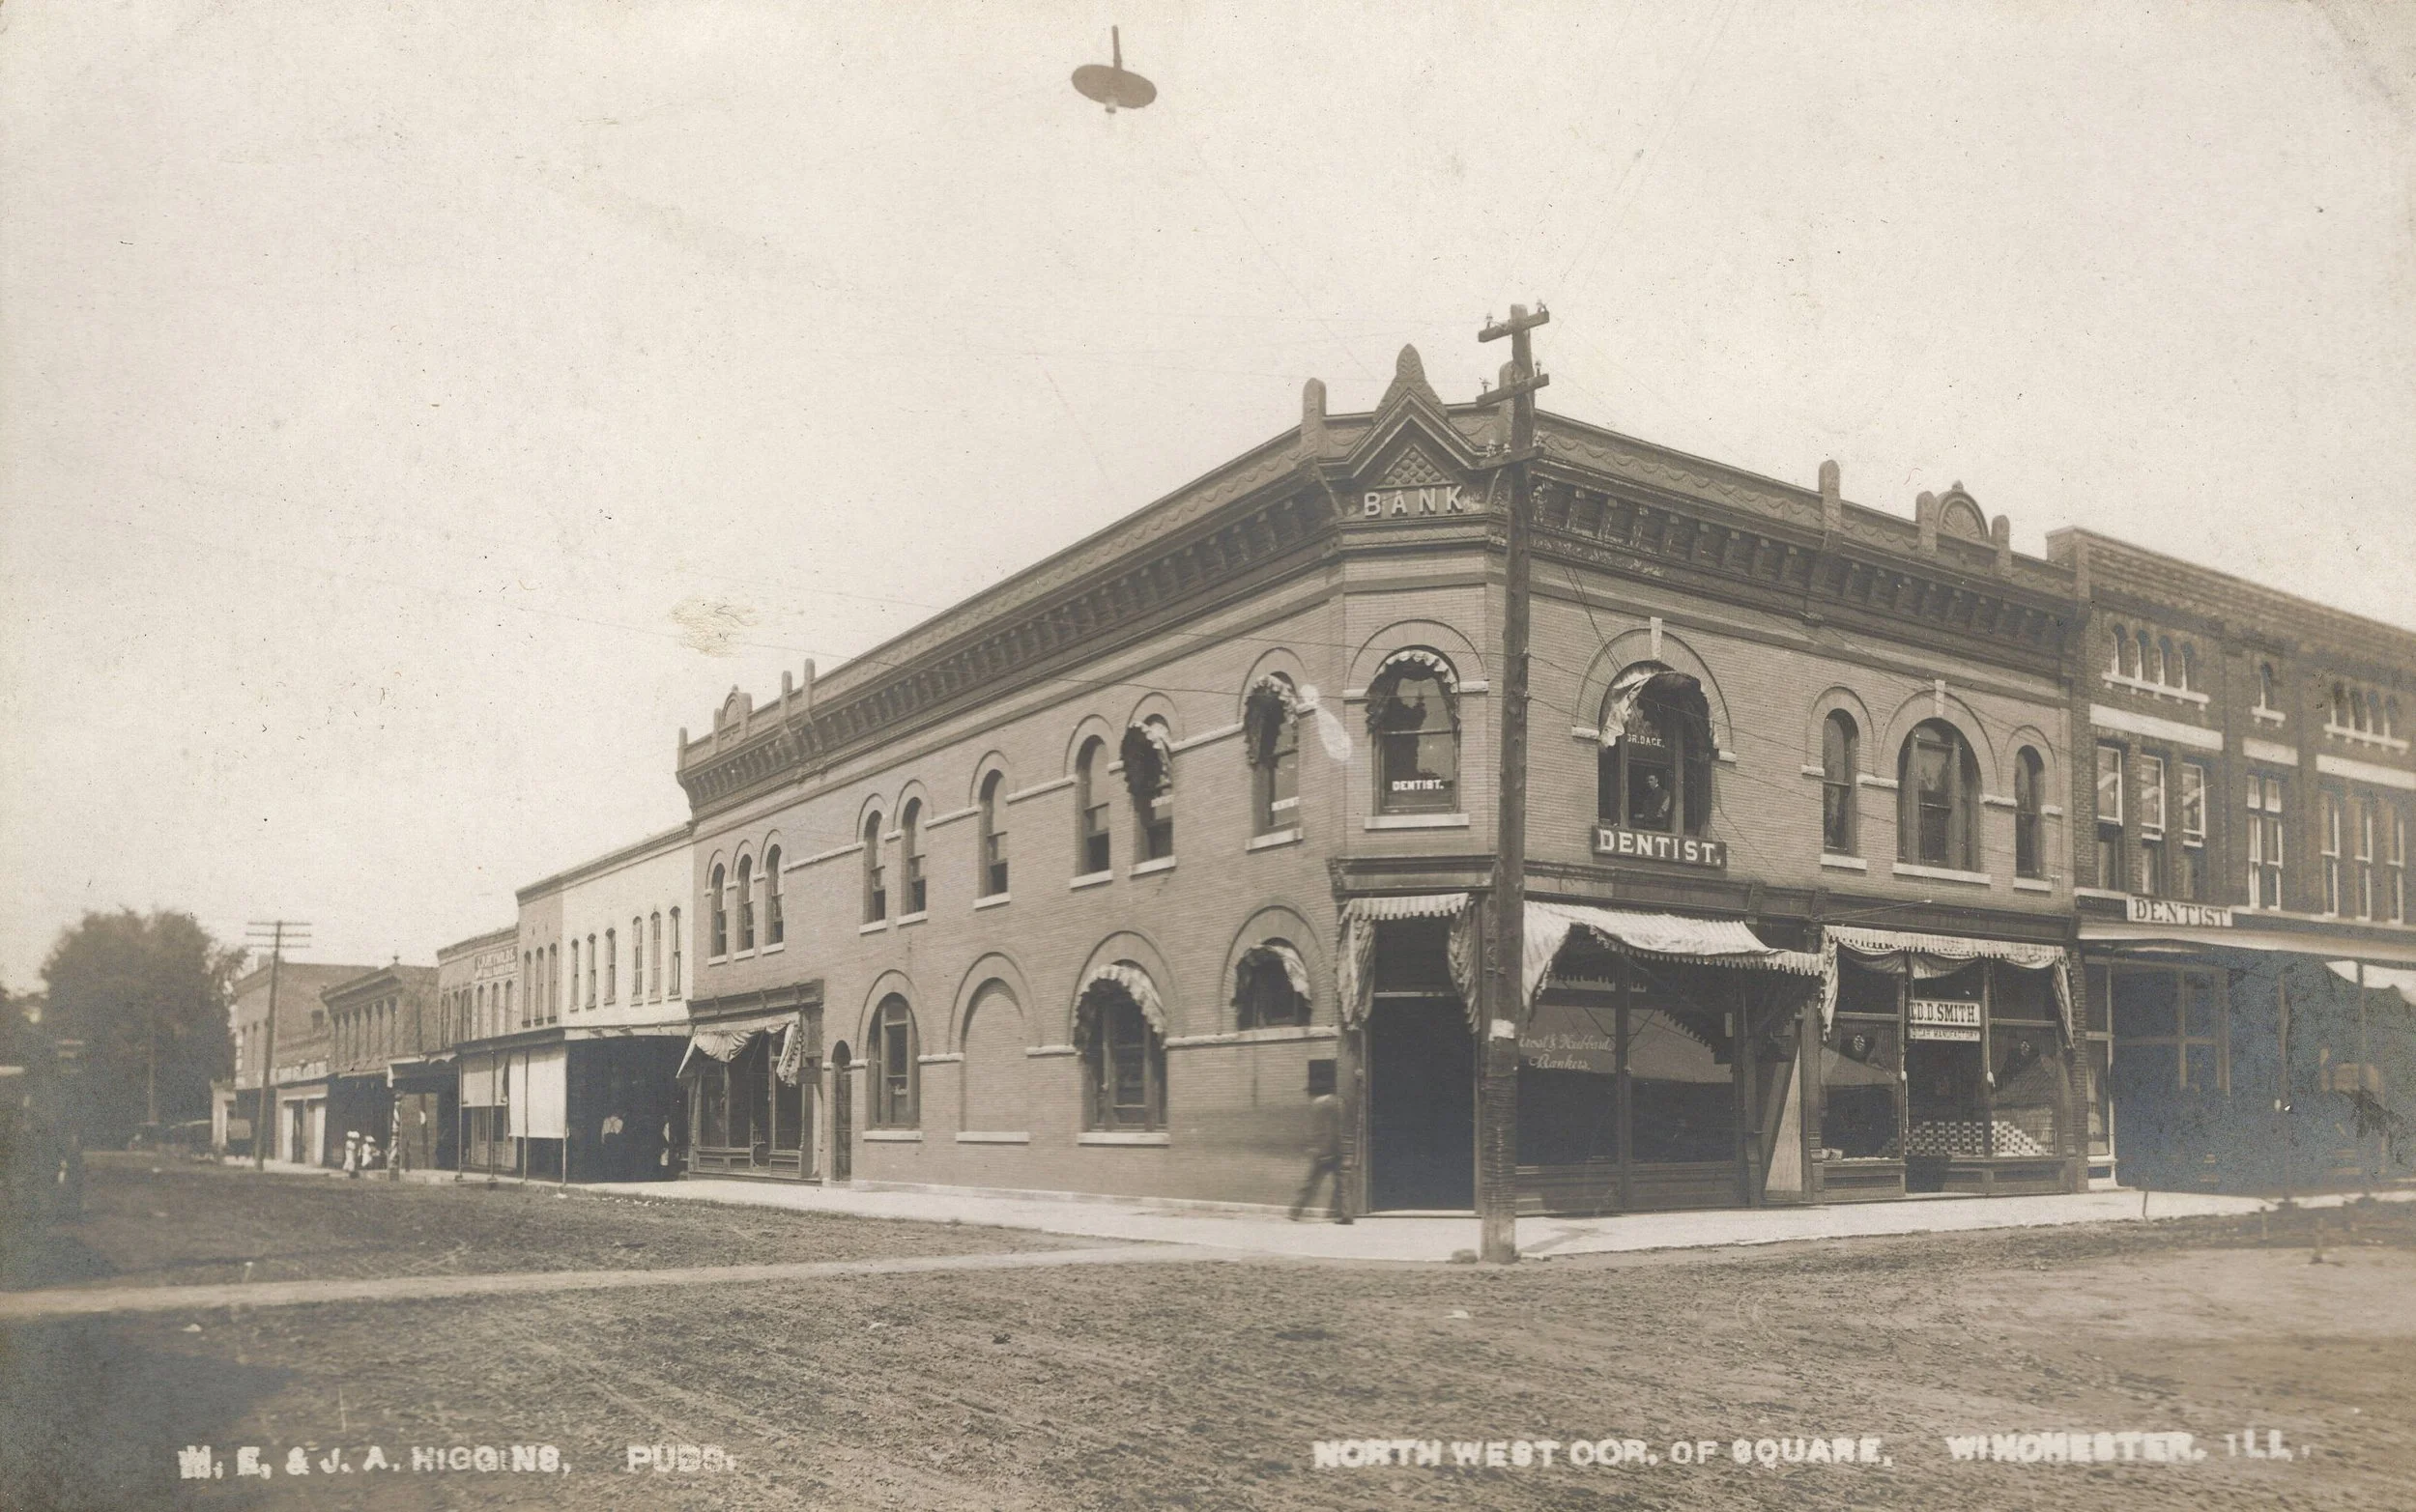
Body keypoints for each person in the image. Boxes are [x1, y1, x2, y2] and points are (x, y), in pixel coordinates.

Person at [1289, 1062, 1350, 1223]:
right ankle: (1346, 1215)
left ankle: (1295, 1211)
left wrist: (1323, 1151)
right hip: (1339, 1150)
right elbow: (1340, 1129)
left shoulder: (1320, 1105)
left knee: (1310, 1183)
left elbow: (1325, 1130)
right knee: (1342, 1186)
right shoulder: (1339, 1102)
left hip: (1324, 1152)